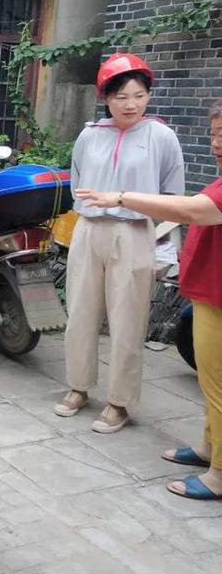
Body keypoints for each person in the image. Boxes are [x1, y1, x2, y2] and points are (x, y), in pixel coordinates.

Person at [75, 99, 222, 498]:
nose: (216, 143)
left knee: (218, 384)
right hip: (208, 292)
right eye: (213, 134)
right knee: (210, 379)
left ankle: (219, 474)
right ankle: (210, 448)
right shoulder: (91, 135)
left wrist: (123, 198)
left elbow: (193, 209)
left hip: (210, 289)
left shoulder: (161, 137)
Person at [55, 53, 185, 433]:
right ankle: (79, 386)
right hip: (88, 229)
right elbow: (77, 181)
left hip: (134, 232)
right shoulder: (90, 134)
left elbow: (172, 195)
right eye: (122, 96)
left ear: (149, 96)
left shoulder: (161, 136)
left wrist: (161, 243)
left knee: (128, 320)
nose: (131, 104)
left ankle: (119, 402)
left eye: (139, 95)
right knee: (80, 312)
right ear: (106, 97)